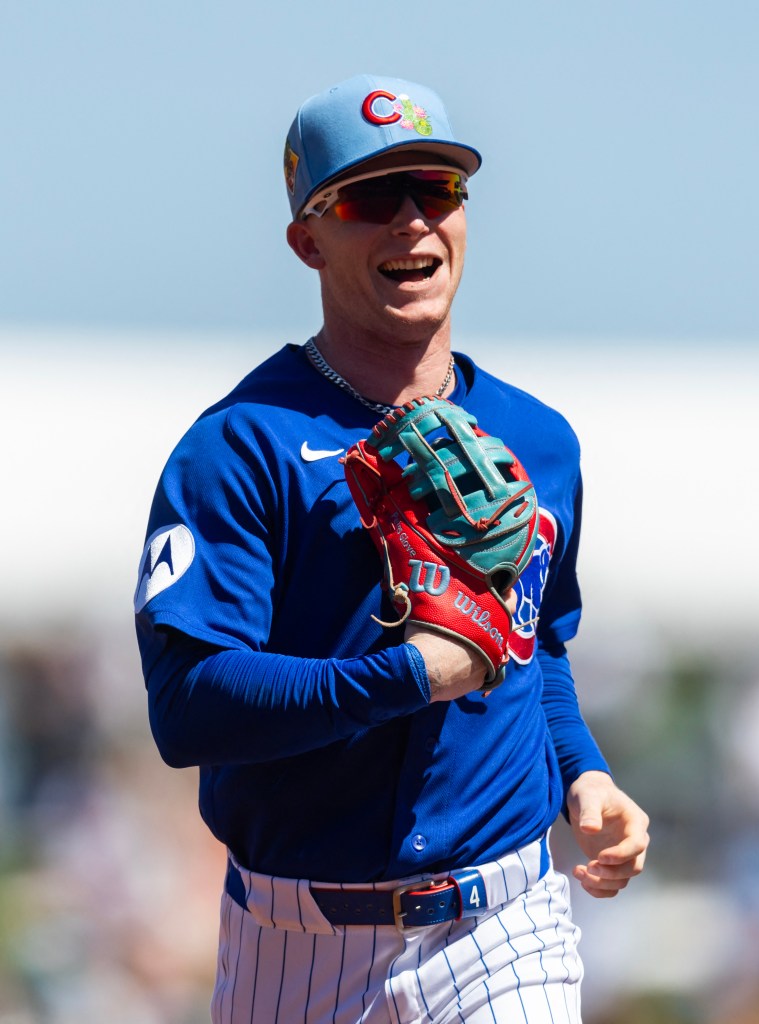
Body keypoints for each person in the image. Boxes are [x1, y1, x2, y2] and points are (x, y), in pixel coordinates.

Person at [134, 74, 649, 1024]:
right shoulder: (239, 446)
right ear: (308, 240)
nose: (413, 219)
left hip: (504, 921)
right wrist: (407, 675)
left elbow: (536, 642)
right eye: (371, 197)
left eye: (437, 189)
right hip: (295, 938)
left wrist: (582, 769)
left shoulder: (538, 441)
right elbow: (188, 707)